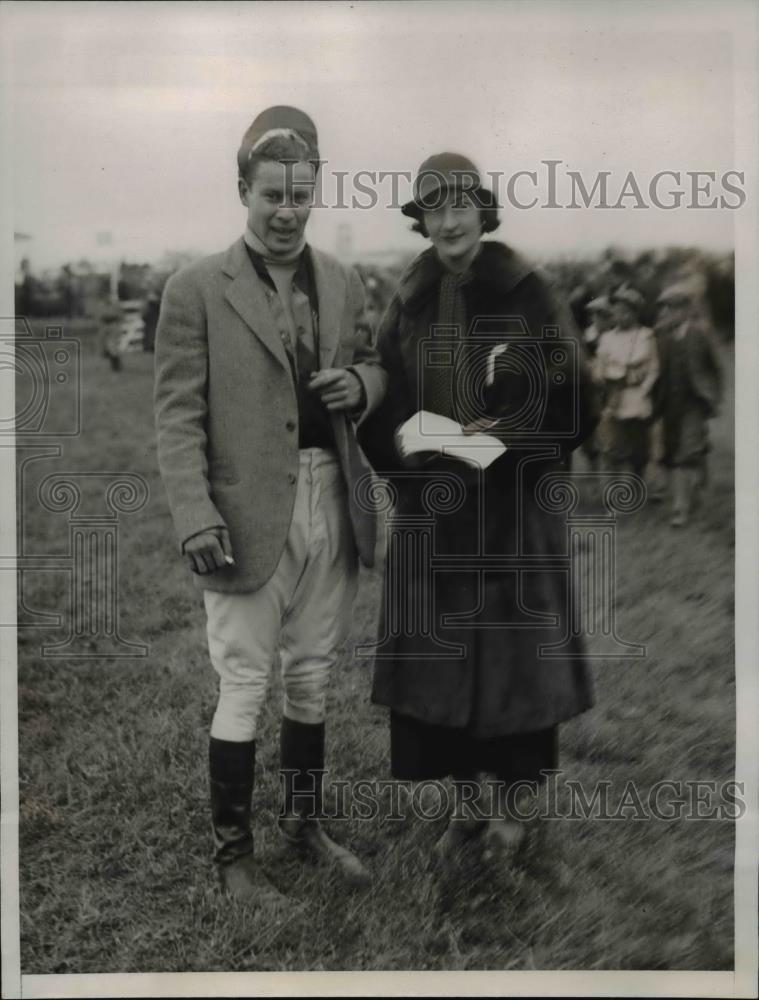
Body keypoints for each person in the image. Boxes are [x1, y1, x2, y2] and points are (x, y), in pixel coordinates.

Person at [153, 106, 386, 904]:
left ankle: (304, 827)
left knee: (314, 674)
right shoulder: (194, 289)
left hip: (332, 497)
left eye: (300, 195)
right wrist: (194, 513)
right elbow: (176, 415)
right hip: (246, 513)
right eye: (271, 195)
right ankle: (234, 860)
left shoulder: (342, 280)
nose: (286, 211)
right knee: (245, 682)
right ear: (241, 191)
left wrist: (362, 384)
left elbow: (371, 366)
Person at [359, 153, 599, 867]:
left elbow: (573, 397)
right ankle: (465, 806)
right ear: (422, 222)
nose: (449, 221)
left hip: (513, 514)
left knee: (516, 666)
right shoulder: (407, 303)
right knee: (442, 668)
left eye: (461, 205)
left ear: (483, 213)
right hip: (436, 512)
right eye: (434, 210)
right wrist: (410, 450)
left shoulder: (528, 292)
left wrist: (501, 435)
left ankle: (513, 815)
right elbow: (389, 397)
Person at [653, 280, 723, 527]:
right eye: (664, 309)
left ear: (685, 310)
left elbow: (715, 369)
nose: (666, 314)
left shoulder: (700, 334)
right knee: (674, 449)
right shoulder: (661, 336)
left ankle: (679, 508)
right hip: (669, 402)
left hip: (694, 401)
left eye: (671, 309)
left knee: (684, 454)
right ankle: (699, 460)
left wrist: (713, 396)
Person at [593, 284, 659, 479]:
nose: (620, 316)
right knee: (612, 446)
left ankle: (637, 479)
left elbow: (654, 369)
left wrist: (644, 389)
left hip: (637, 398)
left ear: (634, 313)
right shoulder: (607, 338)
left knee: (638, 448)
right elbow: (600, 366)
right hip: (613, 396)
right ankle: (613, 493)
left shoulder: (646, 336)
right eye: (617, 311)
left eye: (625, 312)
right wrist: (601, 379)